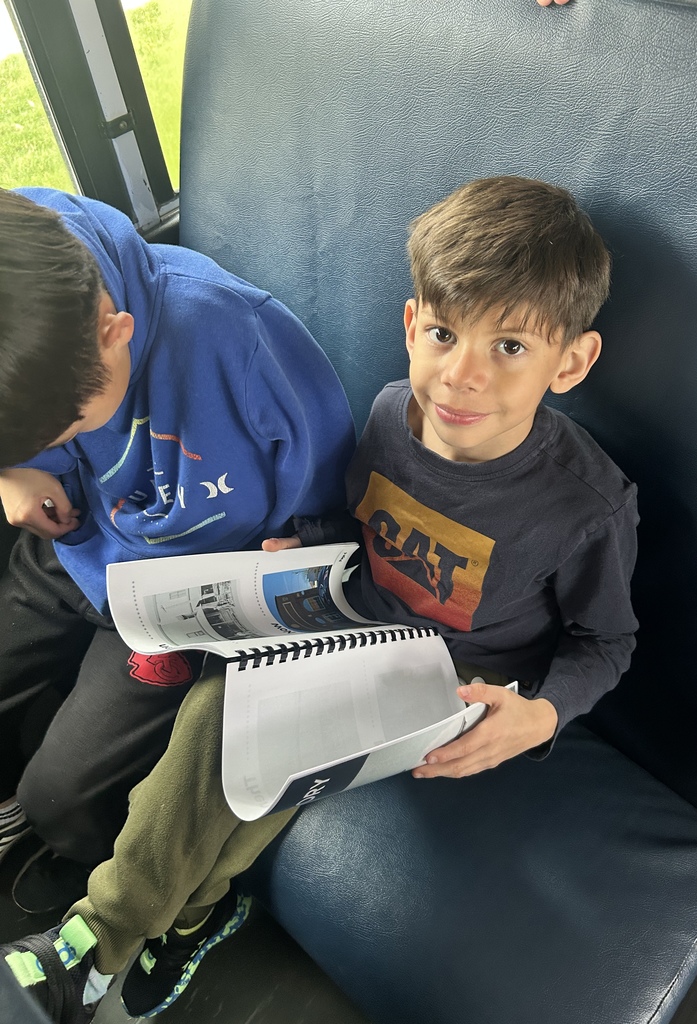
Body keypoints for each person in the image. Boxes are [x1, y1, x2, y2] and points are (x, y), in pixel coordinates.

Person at [0, 175, 639, 1022]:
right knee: (234, 732)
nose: (461, 376)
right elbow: (349, 526)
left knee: (233, 742)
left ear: (572, 362)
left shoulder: (586, 505)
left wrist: (544, 715)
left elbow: (607, 643)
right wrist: (300, 555)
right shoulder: (385, 419)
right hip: (353, 632)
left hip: (452, 681)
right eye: (444, 333)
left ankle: (92, 943)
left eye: (510, 348)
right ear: (412, 326)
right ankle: (189, 918)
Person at [0, 188, 356, 914]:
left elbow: (339, 484)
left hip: (187, 585)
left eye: (70, 426)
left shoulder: (234, 337)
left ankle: (168, 896)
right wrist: (16, 472)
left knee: (60, 800)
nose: (62, 440)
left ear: (114, 329)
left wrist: (309, 549)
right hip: (80, 541)